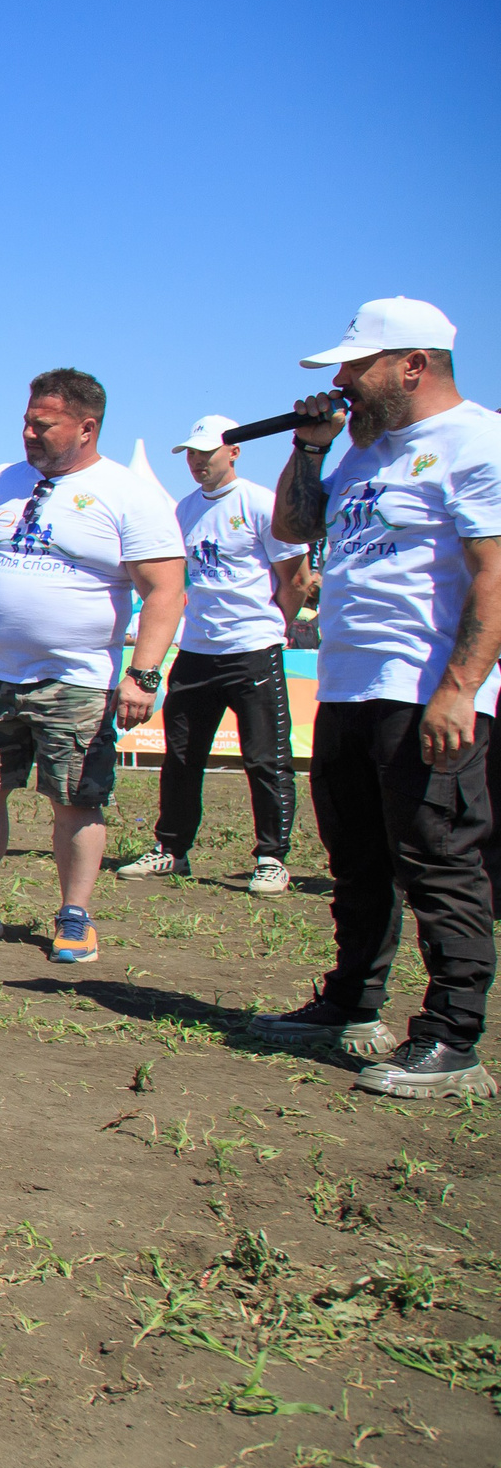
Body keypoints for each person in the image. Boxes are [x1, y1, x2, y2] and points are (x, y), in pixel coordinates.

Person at [250, 297, 499, 1098]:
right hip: (350, 686)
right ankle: (351, 1005)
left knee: (438, 862)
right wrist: (310, 446)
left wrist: (460, 690)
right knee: (357, 860)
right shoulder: (360, 448)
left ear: (414, 364)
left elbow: (495, 576)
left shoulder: (477, 441)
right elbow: (293, 526)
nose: (344, 381)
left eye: (357, 367)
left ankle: (453, 1039)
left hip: (425, 689)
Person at [0, 370, 184, 962]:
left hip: (79, 681)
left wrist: (143, 674)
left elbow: (165, 590)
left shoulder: (128, 493)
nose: (28, 432)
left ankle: (75, 915)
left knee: (76, 798)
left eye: (44, 424)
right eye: (27, 421)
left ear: (87, 428)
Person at [115, 415, 307, 893]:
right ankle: (172, 850)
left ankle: (271, 858)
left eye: (208, 452)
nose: (198, 462)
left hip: (254, 650)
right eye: (192, 454)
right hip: (196, 650)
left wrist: (272, 627)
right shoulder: (182, 511)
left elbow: (297, 578)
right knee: (181, 757)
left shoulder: (262, 503)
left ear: (234, 452)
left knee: (266, 758)